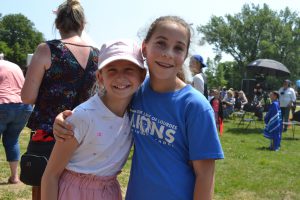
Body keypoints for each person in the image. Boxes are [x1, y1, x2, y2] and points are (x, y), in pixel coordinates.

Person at [54, 15, 224, 200]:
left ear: (184, 56)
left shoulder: (196, 107)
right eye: (161, 43)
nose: (168, 53)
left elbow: (205, 175)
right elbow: (100, 105)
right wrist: (63, 119)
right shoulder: (135, 92)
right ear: (144, 48)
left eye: (178, 48)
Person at [41, 39, 146, 200]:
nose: (121, 77)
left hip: (109, 191)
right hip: (74, 193)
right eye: (112, 70)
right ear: (100, 77)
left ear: (142, 75)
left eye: (129, 69)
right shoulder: (83, 116)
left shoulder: (138, 111)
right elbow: (51, 175)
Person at [21, 0, 99, 199]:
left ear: (57, 24)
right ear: (82, 24)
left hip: (48, 136)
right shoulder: (97, 55)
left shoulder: (47, 50)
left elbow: (27, 96)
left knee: (44, 187)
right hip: (84, 134)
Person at [0, 57, 33, 184]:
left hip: (2, 104)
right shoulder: (15, 65)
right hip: (23, 106)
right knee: (12, 140)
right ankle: (14, 177)